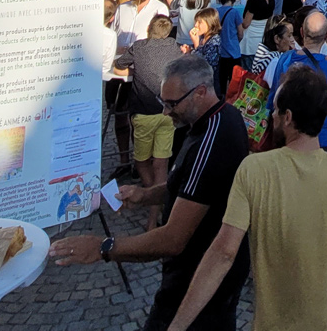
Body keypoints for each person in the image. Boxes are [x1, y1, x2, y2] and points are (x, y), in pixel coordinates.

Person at [165, 67, 327, 331]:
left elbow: (223, 252)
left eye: (276, 109)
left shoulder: (254, 170)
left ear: (288, 117)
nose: (271, 114)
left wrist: (178, 325)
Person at [51, 55, 251, 331]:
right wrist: (145, 195)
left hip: (198, 281)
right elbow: (188, 187)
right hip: (205, 276)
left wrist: (103, 247)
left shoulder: (211, 141)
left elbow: (173, 239)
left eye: (172, 104)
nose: (166, 113)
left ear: (201, 92)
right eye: (163, 103)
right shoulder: (223, 117)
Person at [126, 15, 189, 231]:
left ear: (148, 28)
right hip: (167, 113)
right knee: (161, 164)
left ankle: (152, 198)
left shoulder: (138, 47)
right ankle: (156, 210)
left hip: (143, 113)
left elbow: (119, 64)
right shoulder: (174, 47)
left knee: (141, 162)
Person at [264, 10, 327, 154]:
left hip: (287, 139)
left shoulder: (285, 59)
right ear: (325, 37)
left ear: (302, 32)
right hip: (320, 141)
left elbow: (274, 99)